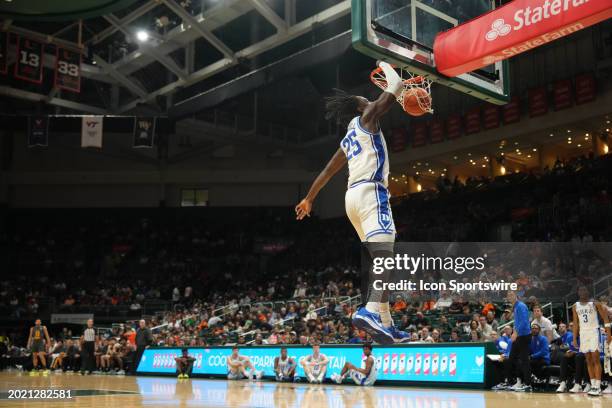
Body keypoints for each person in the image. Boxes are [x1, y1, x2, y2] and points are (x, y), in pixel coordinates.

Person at [295, 61, 410, 344]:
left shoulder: (347, 139)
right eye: (366, 100)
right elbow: (395, 86)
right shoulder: (368, 117)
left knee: (380, 262)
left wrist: (309, 198)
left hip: (351, 199)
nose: (371, 101)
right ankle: (371, 311)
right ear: (361, 108)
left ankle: (386, 323)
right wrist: (387, 67)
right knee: (385, 259)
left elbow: (326, 172)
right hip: (371, 193)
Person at [572, 285, 611, 396]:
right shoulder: (575, 306)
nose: (583, 292)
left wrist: (609, 334)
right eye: (580, 290)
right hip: (583, 333)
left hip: (594, 331)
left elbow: (605, 318)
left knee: (595, 359)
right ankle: (593, 385)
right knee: (588, 360)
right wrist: (574, 338)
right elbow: (575, 323)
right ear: (578, 292)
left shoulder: (595, 304)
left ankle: (597, 387)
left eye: (584, 289)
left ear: (588, 292)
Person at [505, 290, 532, 391]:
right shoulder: (515, 307)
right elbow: (517, 322)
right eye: (508, 295)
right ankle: (518, 381)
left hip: (524, 336)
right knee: (512, 358)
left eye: (511, 294)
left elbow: (525, 321)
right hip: (518, 336)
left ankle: (528, 383)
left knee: (524, 360)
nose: (510, 296)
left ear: (516, 296)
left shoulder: (520, 306)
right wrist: (514, 332)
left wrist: (516, 332)